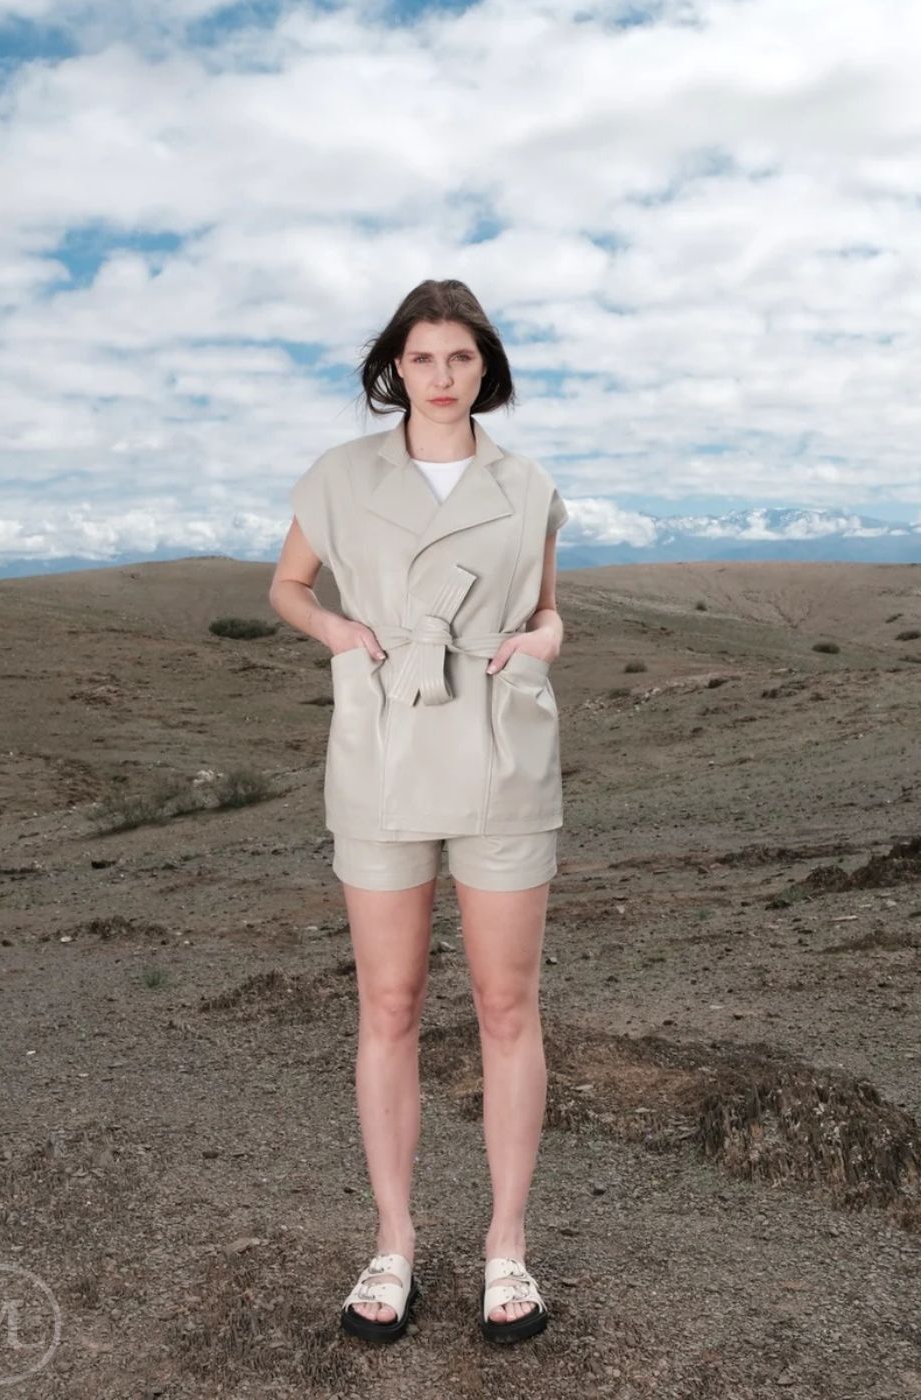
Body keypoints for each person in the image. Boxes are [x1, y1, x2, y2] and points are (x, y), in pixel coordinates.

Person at [269, 279, 569, 1346]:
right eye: (423, 357)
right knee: (388, 1002)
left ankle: (506, 1247)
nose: (442, 377)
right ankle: (392, 1241)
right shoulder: (341, 476)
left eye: (461, 357)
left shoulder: (526, 482)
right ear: (393, 365)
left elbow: (544, 606)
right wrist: (340, 635)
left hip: (501, 751)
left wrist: (543, 640)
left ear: (486, 365)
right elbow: (289, 586)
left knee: (505, 1006)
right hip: (383, 747)